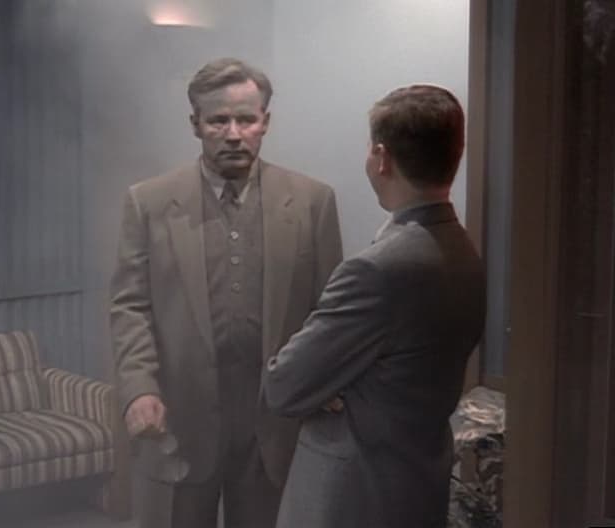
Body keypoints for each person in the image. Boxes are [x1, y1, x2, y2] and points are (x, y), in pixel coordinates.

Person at [109, 57, 343, 528]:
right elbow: (130, 306)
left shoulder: (312, 202)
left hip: (273, 423)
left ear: (265, 122)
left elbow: (329, 312)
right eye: (218, 120)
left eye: (246, 119)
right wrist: (139, 389)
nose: (233, 134)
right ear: (195, 124)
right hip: (181, 421)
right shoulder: (149, 203)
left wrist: (325, 384)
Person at [263, 84, 487, 528]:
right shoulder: (462, 250)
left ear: (381, 158)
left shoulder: (376, 270)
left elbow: (284, 385)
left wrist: (330, 381)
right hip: (417, 484)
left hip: (352, 498)